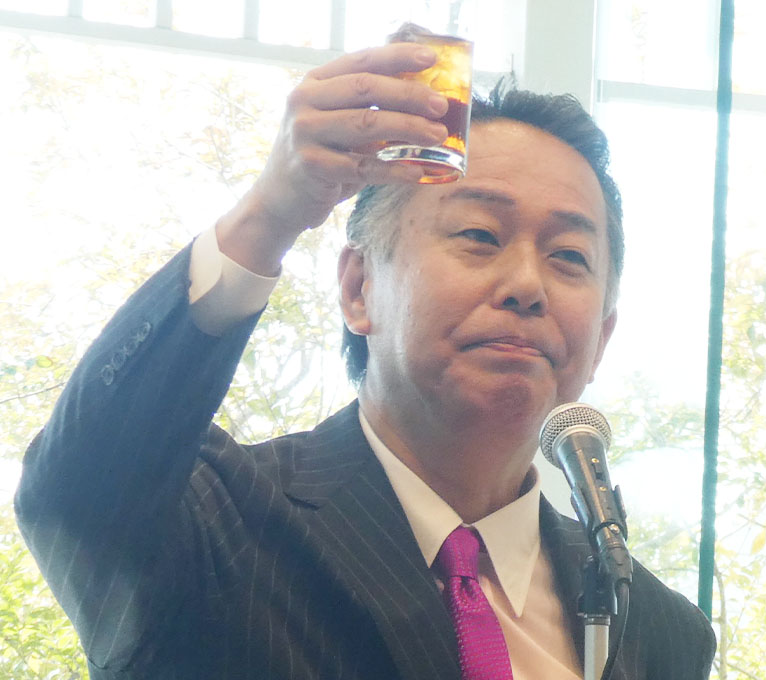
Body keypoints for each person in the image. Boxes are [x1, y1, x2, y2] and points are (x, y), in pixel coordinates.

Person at [15, 39, 716, 680]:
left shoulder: (656, 632)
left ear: (602, 338)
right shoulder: (219, 523)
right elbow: (77, 495)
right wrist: (269, 214)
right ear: (358, 288)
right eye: (480, 234)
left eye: (569, 257)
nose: (528, 285)